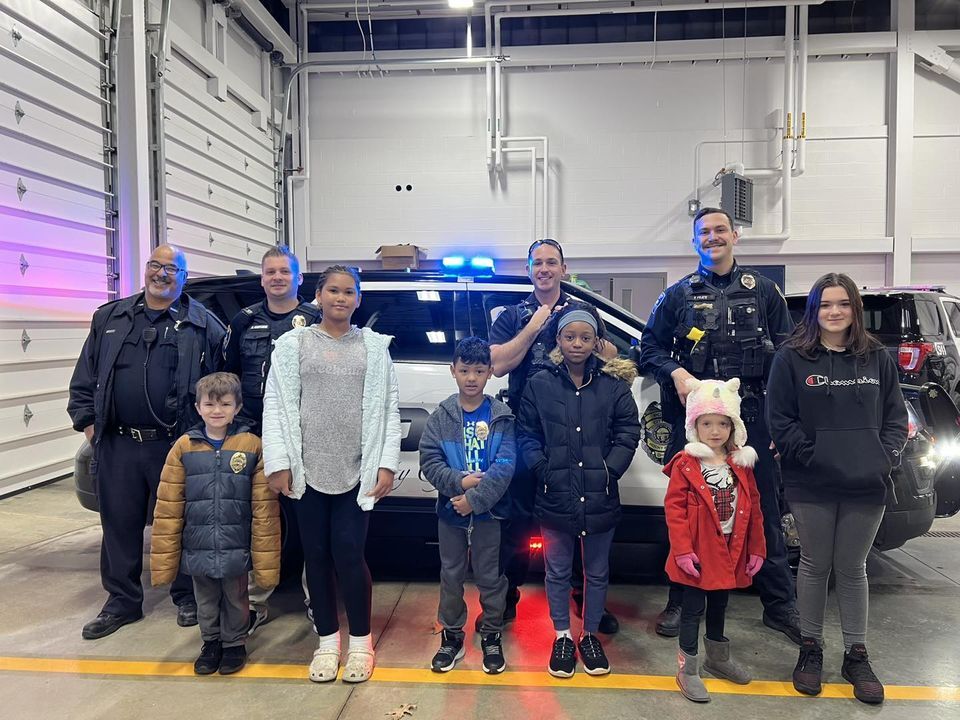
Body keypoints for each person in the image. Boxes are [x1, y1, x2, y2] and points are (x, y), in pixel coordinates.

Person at [639, 207, 800, 644]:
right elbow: (648, 348)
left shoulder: (765, 291)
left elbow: (787, 357)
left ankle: (779, 603)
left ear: (735, 236)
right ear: (695, 242)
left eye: (720, 230)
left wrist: (779, 426)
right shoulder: (677, 296)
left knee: (763, 509)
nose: (713, 238)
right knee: (690, 510)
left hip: (750, 420)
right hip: (695, 424)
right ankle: (679, 598)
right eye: (704, 233)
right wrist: (675, 373)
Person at [68, 245, 225, 640]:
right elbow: (85, 380)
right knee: (118, 523)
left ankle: (187, 595)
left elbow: (223, 388)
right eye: (156, 265)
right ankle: (121, 601)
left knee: (182, 523)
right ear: (146, 270)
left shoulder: (205, 326)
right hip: (118, 443)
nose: (162, 273)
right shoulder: (110, 319)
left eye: (173, 268)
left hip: (176, 444)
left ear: (185, 277)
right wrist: (90, 427)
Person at [766, 273, 907, 705]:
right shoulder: (792, 358)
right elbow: (780, 420)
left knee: (852, 568)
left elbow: (896, 419)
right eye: (825, 304)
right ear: (813, 310)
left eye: (842, 304)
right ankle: (811, 647)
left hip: (867, 481)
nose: (834, 312)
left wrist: (880, 458)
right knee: (813, 564)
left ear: (854, 310)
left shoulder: (876, 358)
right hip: (812, 481)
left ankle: (856, 654)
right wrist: (810, 457)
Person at [261, 265, 400, 684]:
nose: (341, 298)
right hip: (307, 471)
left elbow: (388, 408)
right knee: (315, 557)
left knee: (348, 554)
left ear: (359, 299)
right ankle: (327, 640)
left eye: (349, 292)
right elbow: (276, 405)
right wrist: (279, 461)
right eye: (333, 291)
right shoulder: (292, 344)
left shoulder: (374, 348)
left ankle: (360, 642)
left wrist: (386, 463)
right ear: (318, 296)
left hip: (355, 470)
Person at [488, 238, 619, 634]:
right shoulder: (512, 315)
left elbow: (612, 356)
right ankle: (507, 595)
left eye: (552, 262)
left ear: (564, 268)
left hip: (580, 429)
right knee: (518, 517)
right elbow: (497, 365)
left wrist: (601, 349)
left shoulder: (586, 311)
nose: (545, 269)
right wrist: (537, 322)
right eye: (537, 263)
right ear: (529, 270)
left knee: (581, 513)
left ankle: (584, 594)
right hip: (528, 430)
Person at [518, 305, 640, 678]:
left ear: (597, 342)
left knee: (597, 571)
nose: (577, 343)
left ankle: (589, 635)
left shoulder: (612, 386)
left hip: (600, 494)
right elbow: (526, 434)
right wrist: (543, 471)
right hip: (555, 492)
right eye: (569, 336)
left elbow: (628, 431)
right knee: (556, 571)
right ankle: (562, 637)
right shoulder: (539, 384)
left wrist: (609, 471)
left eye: (586, 337)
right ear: (557, 340)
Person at [150, 372, 280, 675]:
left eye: (225, 404)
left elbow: (264, 508)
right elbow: (168, 505)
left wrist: (263, 556)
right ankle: (210, 643)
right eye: (209, 404)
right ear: (198, 408)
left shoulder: (251, 446)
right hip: (197, 544)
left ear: (237, 407)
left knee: (236, 597)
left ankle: (235, 644)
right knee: (205, 599)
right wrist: (166, 556)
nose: (217, 410)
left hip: (236, 543)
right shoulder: (184, 447)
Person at [222, 246, 320, 634]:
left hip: (305, 436)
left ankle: (318, 600)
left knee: (310, 524)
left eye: (285, 271)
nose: (278, 277)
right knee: (258, 523)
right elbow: (226, 378)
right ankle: (255, 603)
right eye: (270, 272)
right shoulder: (243, 320)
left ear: (299, 278)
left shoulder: (315, 319)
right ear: (262, 279)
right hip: (254, 435)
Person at [663, 378, 766, 703]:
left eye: (723, 423)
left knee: (720, 604)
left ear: (734, 426)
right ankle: (687, 668)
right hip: (697, 552)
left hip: (729, 549)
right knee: (693, 609)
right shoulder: (686, 465)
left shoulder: (741, 464)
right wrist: (682, 551)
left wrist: (756, 548)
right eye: (707, 423)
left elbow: (755, 508)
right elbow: (675, 510)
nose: (716, 430)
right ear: (695, 425)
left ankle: (717, 658)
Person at [419, 337, 515, 675]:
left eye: (478, 370)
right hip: (451, 511)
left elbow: (505, 466)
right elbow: (429, 460)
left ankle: (491, 633)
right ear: (453, 371)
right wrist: (460, 484)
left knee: (490, 577)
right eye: (464, 370)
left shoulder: (502, 417)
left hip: (489, 514)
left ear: (491, 372)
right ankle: (452, 634)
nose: (471, 378)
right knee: (451, 575)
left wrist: (474, 499)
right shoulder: (442, 416)